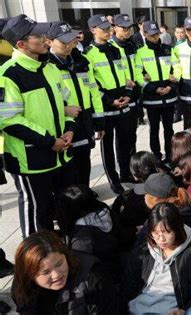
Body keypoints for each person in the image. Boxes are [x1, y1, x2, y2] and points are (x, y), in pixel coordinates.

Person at [1, 15, 75, 236]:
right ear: (21, 44)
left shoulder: (50, 68)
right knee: (37, 210)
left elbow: (65, 104)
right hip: (31, 159)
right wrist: (48, 140)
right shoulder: (8, 74)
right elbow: (8, 120)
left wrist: (70, 128)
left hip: (59, 152)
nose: (45, 39)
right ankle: (35, 260)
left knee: (62, 206)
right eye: (38, 36)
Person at [122, 203, 191, 313]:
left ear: (177, 229)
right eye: (155, 233)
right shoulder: (143, 250)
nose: (161, 239)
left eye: (167, 232)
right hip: (139, 306)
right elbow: (129, 283)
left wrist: (185, 308)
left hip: (172, 309)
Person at [46, 22, 105, 188]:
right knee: (69, 170)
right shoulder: (48, 67)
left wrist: (99, 121)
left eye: (71, 40)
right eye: (63, 42)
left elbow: (93, 91)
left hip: (85, 120)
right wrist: (63, 110)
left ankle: (85, 195)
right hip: (65, 124)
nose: (68, 45)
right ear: (49, 41)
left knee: (84, 162)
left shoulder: (82, 61)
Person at [11, 231, 118, 314]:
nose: (57, 275)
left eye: (59, 264)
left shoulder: (93, 277)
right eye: (46, 272)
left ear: (66, 256)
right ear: (29, 274)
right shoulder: (22, 287)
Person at [85, 14, 132, 194]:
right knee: (107, 146)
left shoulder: (116, 49)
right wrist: (109, 100)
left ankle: (125, 173)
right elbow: (92, 85)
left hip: (123, 103)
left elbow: (126, 75)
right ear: (93, 30)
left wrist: (128, 95)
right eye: (103, 28)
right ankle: (113, 179)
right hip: (106, 107)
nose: (107, 31)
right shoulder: (89, 54)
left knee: (125, 142)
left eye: (108, 27)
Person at [55, 185, 120, 279]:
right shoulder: (104, 210)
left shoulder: (81, 238)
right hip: (115, 258)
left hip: (102, 275)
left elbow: (81, 265)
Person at [135, 20, 178, 162]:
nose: (155, 37)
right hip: (152, 98)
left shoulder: (168, 49)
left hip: (169, 96)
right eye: (152, 35)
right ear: (145, 34)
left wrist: (171, 86)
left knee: (169, 129)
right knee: (154, 130)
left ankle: (170, 154)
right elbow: (137, 74)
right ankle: (157, 156)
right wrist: (153, 88)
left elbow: (177, 68)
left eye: (157, 34)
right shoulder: (140, 53)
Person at [135, 172, 191, 245]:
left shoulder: (165, 218)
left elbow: (140, 245)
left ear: (155, 200)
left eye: (146, 194)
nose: (144, 197)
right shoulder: (186, 206)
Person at [111, 14, 141, 163]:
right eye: (124, 28)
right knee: (122, 137)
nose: (127, 31)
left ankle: (133, 165)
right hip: (120, 97)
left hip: (134, 94)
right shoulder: (111, 47)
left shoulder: (131, 44)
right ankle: (124, 169)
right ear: (115, 28)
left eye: (129, 28)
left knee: (132, 134)